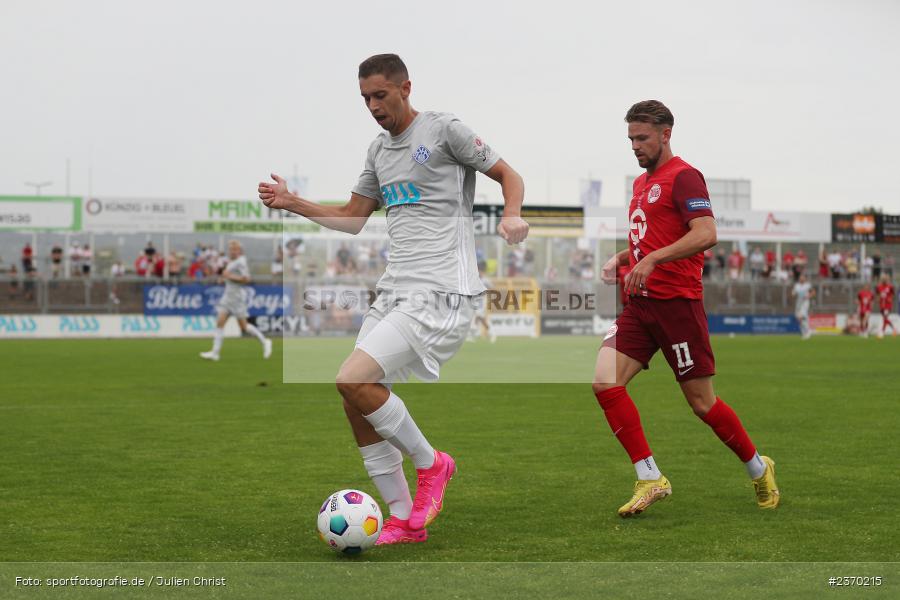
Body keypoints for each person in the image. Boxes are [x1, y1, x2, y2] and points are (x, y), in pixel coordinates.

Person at [258, 53, 528, 544]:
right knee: (353, 399)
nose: (373, 106)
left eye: (380, 95)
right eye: (365, 98)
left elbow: (510, 174)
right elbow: (353, 217)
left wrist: (511, 214)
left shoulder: (445, 130)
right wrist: (292, 203)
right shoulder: (379, 152)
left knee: (352, 378)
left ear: (406, 87)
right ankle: (404, 520)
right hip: (396, 290)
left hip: (442, 290)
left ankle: (432, 465)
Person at [596, 100, 779, 518]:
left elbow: (706, 233)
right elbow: (654, 238)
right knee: (605, 383)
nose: (635, 146)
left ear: (666, 134)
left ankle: (758, 467)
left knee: (702, 404)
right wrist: (625, 258)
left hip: (678, 306)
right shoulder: (642, 184)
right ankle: (650, 477)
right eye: (630, 139)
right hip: (640, 306)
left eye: (642, 138)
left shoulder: (685, 177)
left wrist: (651, 260)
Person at [200, 240, 273, 361]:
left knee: (244, 327)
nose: (232, 251)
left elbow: (246, 279)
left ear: (239, 251)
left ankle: (265, 342)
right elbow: (229, 276)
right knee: (219, 323)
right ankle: (215, 353)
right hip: (227, 297)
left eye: (234, 249)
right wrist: (224, 279)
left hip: (237, 299)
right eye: (231, 249)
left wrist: (230, 276)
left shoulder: (241, 262)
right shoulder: (232, 262)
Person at [791, 273, 815, 340]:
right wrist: (793, 294)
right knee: (799, 318)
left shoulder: (808, 285)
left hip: (805, 302)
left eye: (802, 277)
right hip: (798, 303)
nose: (801, 278)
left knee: (800, 317)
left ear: (805, 278)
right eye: (800, 277)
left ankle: (808, 331)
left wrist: (808, 296)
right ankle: (804, 333)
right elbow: (793, 293)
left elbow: (813, 292)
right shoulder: (797, 285)